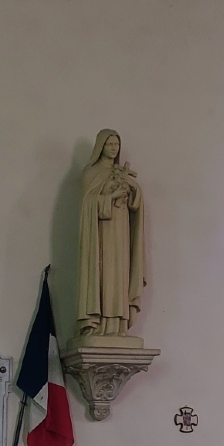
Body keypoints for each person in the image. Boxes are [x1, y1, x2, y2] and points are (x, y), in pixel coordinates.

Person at [76, 129, 144, 339]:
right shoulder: (91, 173)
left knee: (120, 275)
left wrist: (132, 188)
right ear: (101, 147)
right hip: (101, 237)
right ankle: (99, 325)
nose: (114, 148)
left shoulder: (120, 172)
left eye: (116, 144)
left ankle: (119, 325)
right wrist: (111, 196)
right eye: (110, 144)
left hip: (121, 232)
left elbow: (135, 205)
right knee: (104, 276)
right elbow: (87, 205)